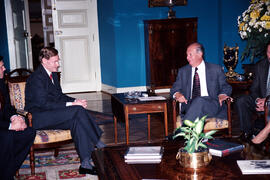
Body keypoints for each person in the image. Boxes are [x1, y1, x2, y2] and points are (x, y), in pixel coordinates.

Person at [24, 47, 104, 175]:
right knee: (77, 110)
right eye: (55, 61)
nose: (58, 64)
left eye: (58, 61)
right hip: (37, 117)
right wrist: (72, 104)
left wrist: (76, 100)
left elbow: (59, 96)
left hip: (51, 114)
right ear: (44, 61)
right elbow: (43, 104)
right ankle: (99, 143)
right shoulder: (36, 78)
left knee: (77, 121)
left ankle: (85, 164)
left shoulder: (53, 74)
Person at [170, 42, 232, 122]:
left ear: (200, 54)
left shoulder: (215, 69)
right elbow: (174, 89)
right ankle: (184, 131)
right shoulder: (183, 71)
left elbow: (226, 87)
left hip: (211, 106)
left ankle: (183, 132)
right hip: (189, 106)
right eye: (187, 55)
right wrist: (177, 94)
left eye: (190, 55)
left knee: (199, 100)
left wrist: (222, 94)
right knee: (198, 101)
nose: (187, 58)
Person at [0, 56, 36, 180]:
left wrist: (16, 118)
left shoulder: (1, 83)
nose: (4, 69)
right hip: (2, 128)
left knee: (29, 132)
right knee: (7, 136)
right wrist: (10, 126)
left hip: (3, 123)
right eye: (1, 67)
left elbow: (8, 107)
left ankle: (7, 171)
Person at [236, 42, 270, 143]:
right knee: (242, 100)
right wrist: (258, 100)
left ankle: (260, 136)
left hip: (268, 101)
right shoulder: (261, 65)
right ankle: (247, 134)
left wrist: (267, 102)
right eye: (269, 52)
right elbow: (254, 89)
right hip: (261, 101)